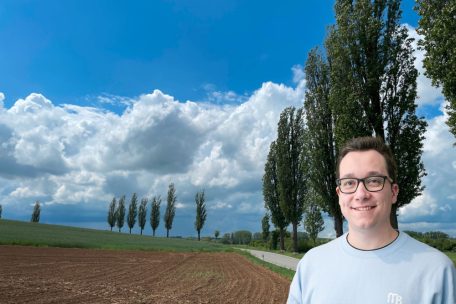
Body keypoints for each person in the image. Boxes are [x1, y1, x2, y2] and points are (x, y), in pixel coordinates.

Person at [287, 136, 456, 304]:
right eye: (349, 182)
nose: (361, 194)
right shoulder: (311, 264)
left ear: (394, 192)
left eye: (374, 181)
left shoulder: (437, 270)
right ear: (339, 195)